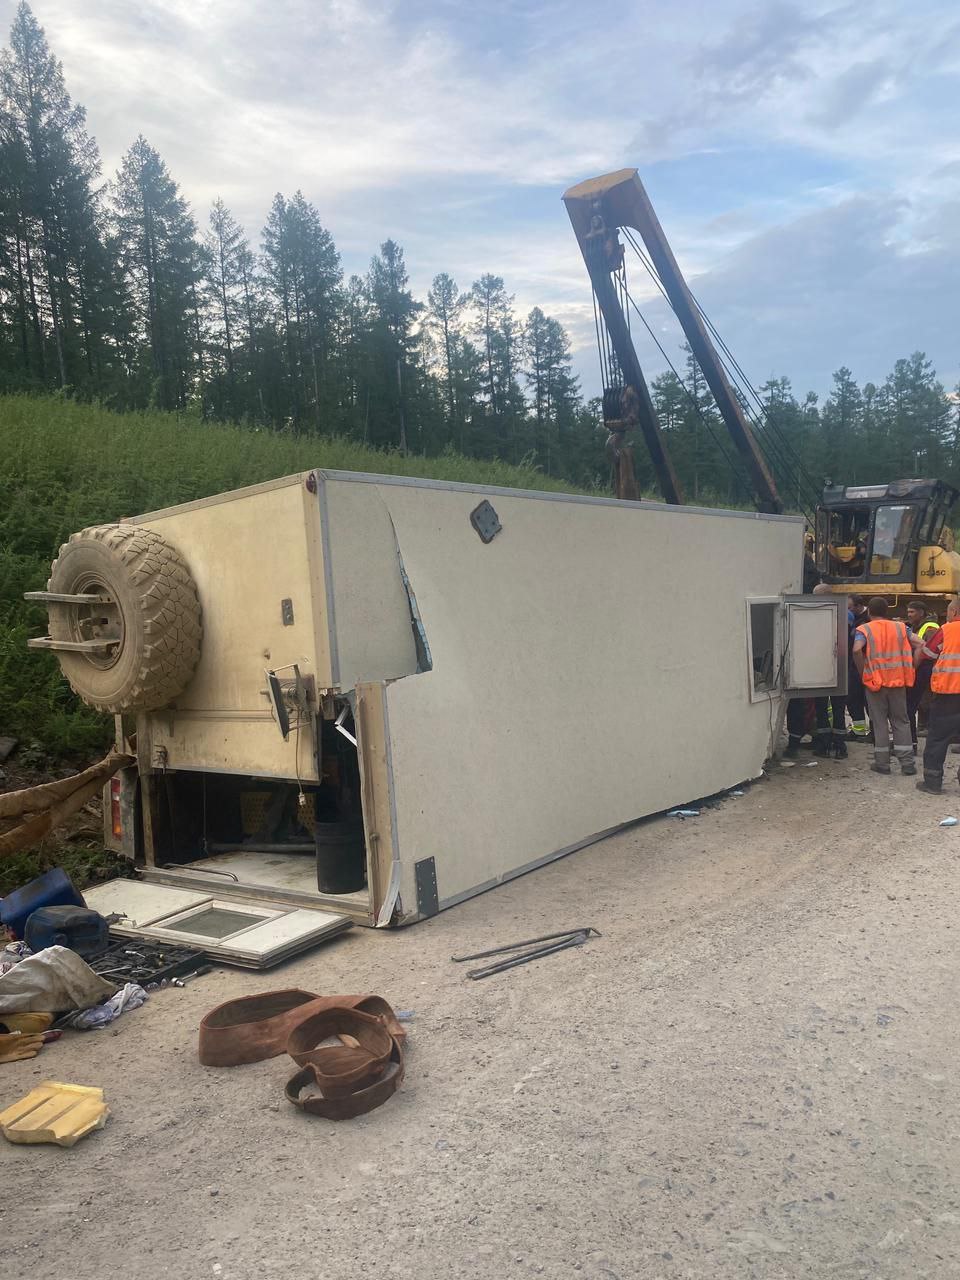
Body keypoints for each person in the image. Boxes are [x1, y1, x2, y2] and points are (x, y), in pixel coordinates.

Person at [852, 596, 921, 775]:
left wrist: (863, 672)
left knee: (880, 722)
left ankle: (882, 764)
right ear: (886, 611)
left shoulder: (864, 629)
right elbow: (920, 643)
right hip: (898, 681)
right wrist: (913, 666)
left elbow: (856, 650)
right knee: (901, 720)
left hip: (875, 683)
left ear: (869, 612)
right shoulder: (900, 627)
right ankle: (907, 763)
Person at [917, 597, 960, 793]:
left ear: (954, 612)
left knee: (938, 738)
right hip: (949, 693)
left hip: (947, 694)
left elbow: (928, 653)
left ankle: (933, 782)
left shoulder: (948, 630)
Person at [811, 584, 847, 758]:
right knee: (839, 708)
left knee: (821, 707)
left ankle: (824, 745)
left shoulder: (812, 614)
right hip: (840, 667)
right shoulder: (843, 613)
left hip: (819, 667)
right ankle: (840, 747)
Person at [905, 599, 940, 742]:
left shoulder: (930, 627)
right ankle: (923, 726)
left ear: (921, 613)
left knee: (925, 700)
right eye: (908, 612)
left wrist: (914, 666)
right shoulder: (916, 627)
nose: (909, 615)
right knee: (920, 701)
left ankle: (926, 727)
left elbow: (931, 651)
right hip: (921, 669)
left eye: (912, 612)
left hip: (926, 669)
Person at [846, 596, 870, 741]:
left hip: (866, 666)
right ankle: (859, 731)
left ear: (859, 606)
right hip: (854, 666)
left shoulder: (868, 620)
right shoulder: (857, 618)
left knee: (870, 702)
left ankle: (874, 733)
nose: (848, 611)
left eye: (850, 608)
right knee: (853, 699)